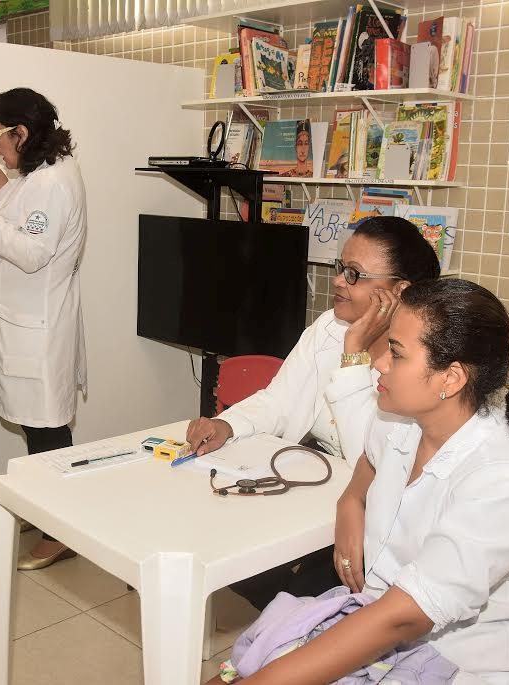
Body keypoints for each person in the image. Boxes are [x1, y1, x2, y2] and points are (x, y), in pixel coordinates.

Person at [211, 278, 509, 684]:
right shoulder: (400, 423)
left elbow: (403, 619)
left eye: (396, 354)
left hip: (464, 664)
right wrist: (350, 503)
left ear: (450, 379)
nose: (379, 363)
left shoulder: (506, 481)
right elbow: (369, 460)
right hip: (388, 638)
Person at [186, 216, 441, 608]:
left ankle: (304, 632)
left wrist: (355, 352)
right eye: (341, 268)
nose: (338, 280)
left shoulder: (421, 361)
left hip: (385, 517)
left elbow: (372, 462)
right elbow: (280, 400)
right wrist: (227, 423)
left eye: (355, 274)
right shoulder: (330, 328)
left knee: (304, 599)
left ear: (399, 291)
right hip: (326, 496)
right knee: (232, 557)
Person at [0, 87, 87, 570]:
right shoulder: (41, 175)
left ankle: (61, 529)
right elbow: (26, 216)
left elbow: (30, 251)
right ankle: (47, 510)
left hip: (36, 326)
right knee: (35, 426)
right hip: (25, 322)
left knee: (46, 431)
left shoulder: (53, 182)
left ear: (20, 133)